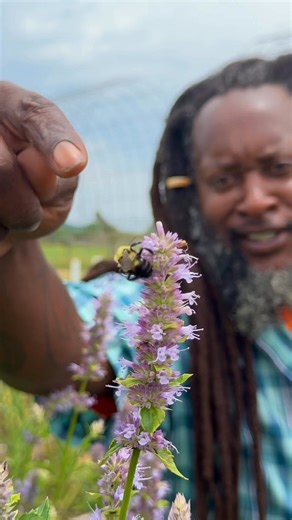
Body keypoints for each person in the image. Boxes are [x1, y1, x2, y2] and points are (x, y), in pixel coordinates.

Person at [0, 52, 291, 520]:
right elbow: (62, 358)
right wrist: (12, 235)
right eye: (224, 178)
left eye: (280, 168)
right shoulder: (179, 312)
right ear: (191, 195)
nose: (256, 200)